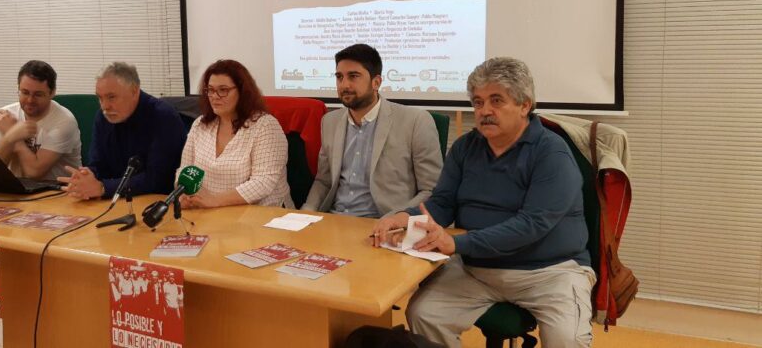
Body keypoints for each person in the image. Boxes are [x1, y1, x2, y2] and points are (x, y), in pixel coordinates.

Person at [372, 57, 595, 348]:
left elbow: (531, 225)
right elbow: (442, 204)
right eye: (477, 102)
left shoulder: (552, 154)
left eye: (496, 100)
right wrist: (402, 217)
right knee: (424, 314)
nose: (484, 111)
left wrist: (457, 245)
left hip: (550, 273)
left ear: (525, 105)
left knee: (568, 342)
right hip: (477, 269)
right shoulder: (466, 147)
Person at [301, 43, 442, 218]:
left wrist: (397, 219)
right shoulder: (330, 121)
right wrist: (306, 211)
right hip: (333, 222)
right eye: (339, 77)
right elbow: (324, 181)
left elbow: (431, 190)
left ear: (376, 82)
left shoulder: (415, 121)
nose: (344, 84)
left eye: (353, 76)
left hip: (384, 224)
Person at [58, 62, 186, 199]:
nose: (104, 106)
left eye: (111, 97)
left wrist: (103, 188)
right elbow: (98, 165)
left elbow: (158, 179)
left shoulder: (163, 116)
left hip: (155, 201)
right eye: (100, 98)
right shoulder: (102, 117)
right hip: (115, 199)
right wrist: (85, 178)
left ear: (134, 91)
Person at [177, 59, 290, 209]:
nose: (214, 96)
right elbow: (185, 169)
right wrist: (183, 194)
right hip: (207, 212)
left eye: (223, 90)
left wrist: (216, 200)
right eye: (210, 90)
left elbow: (264, 182)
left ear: (242, 91)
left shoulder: (265, 126)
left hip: (259, 216)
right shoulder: (200, 124)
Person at [0, 60, 81, 180]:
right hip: (16, 191)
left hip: (57, 192)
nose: (30, 100)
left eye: (38, 94)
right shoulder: (5, 116)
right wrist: (9, 137)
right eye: (25, 92)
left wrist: (13, 135)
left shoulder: (64, 122)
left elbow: (34, 172)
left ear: (52, 93)